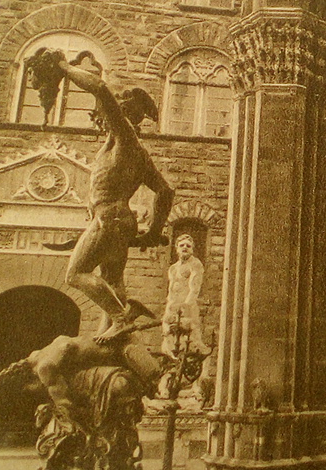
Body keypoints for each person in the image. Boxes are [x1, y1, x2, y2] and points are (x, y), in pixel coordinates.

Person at [33, 48, 174, 342]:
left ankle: (122, 317)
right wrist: (152, 232)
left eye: (113, 109)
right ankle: (117, 330)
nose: (104, 113)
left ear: (124, 113)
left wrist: (63, 66)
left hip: (108, 217)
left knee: (75, 274)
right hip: (120, 221)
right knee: (112, 280)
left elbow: (99, 87)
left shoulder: (124, 135)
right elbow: (165, 191)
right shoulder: (137, 152)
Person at [160, 234, 210, 359]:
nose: (185, 248)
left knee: (189, 338)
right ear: (177, 248)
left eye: (188, 246)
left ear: (192, 248)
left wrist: (185, 307)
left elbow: (194, 289)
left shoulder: (195, 264)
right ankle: (172, 363)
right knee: (169, 338)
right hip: (172, 308)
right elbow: (171, 291)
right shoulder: (173, 268)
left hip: (187, 308)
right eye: (182, 245)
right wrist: (169, 309)